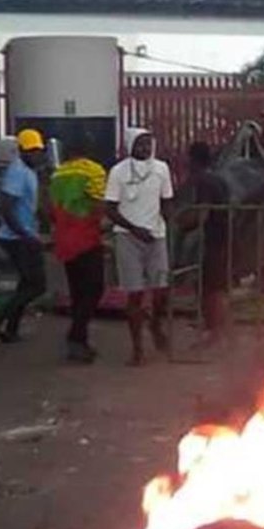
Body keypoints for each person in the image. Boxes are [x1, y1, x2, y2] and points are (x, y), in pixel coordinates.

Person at [106, 129, 175, 366]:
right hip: (128, 237)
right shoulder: (118, 172)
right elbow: (110, 209)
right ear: (129, 145)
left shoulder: (161, 169)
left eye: (149, 144)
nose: (146, 148)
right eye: (140, 144)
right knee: (134, 294)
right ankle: (138, 349)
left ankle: (155, 324)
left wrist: (168, 227)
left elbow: (167, 202)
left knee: (161, 290)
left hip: (156, 236)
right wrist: (135, 229)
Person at [0, 129, 49, 343]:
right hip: (17, 237)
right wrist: (24, 234)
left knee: (26, 283)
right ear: (21, 151)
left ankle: (11, 329)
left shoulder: (29, 171)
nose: (36, 154)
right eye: (31, 151)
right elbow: (6, 207)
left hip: (23, 233)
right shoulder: (18, 172)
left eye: (38, 151)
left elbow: (28, 204)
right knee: (37, 285)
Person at [48, 140, 108, 364]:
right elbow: (99, 204)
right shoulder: (93, 170)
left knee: (77, 292)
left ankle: (80, 341)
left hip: (64, 240)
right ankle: (75, 336)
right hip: (87, 239)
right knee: (94, 289)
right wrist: (103, 226)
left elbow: (49, 209)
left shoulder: (57, 174)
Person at [179, 141, 233, 354]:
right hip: (223, 238)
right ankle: (220, 333)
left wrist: (180, 222)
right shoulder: (220, 179)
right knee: (213, 287)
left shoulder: (204, 181)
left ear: (192, 159)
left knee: (212, 290)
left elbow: (203, 213)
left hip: (214, 242)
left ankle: (215, 335)